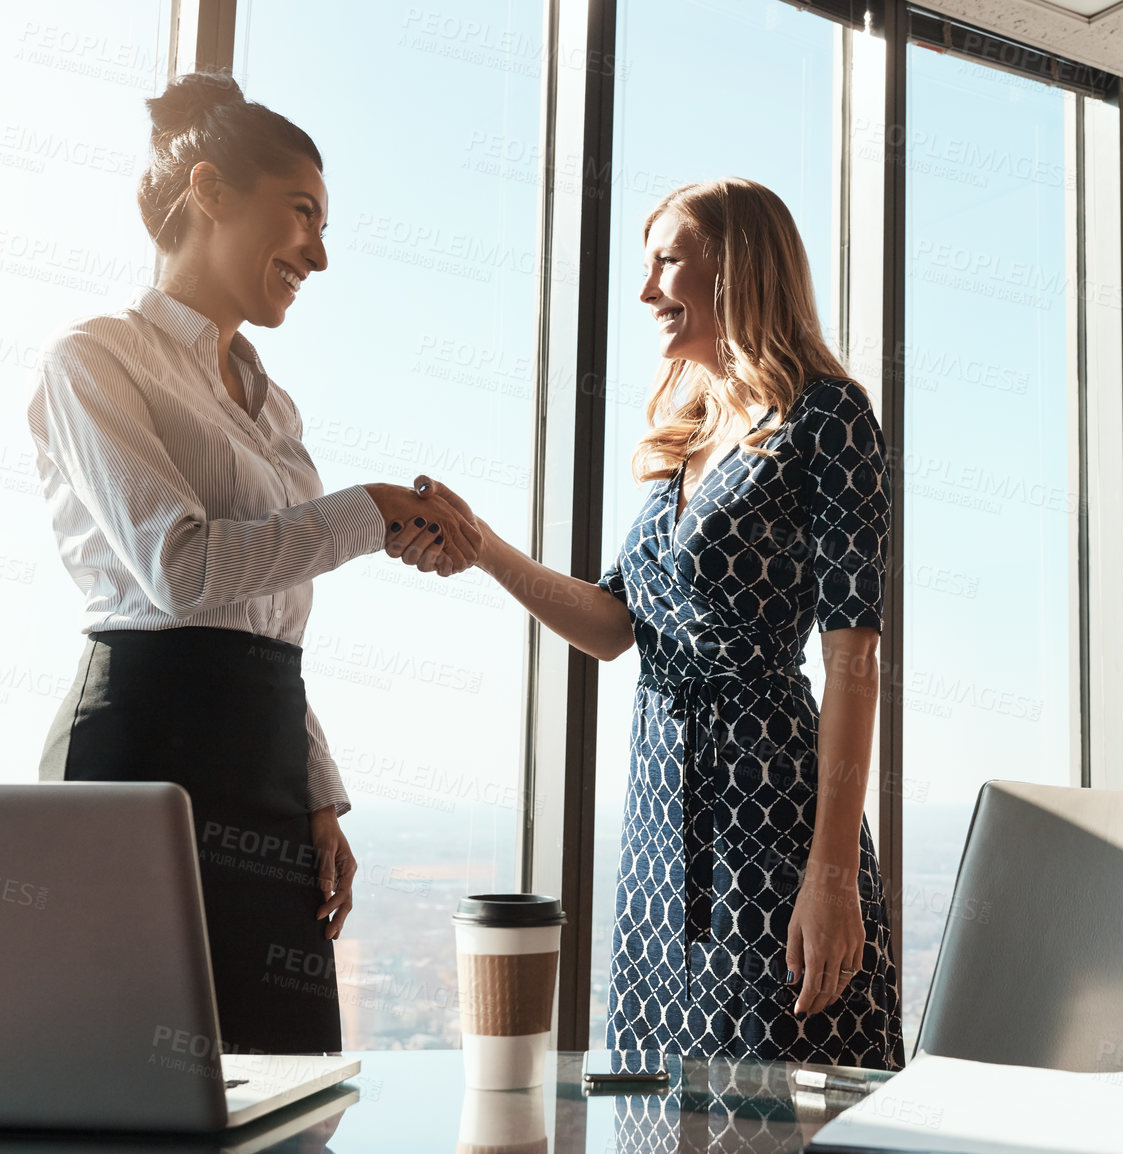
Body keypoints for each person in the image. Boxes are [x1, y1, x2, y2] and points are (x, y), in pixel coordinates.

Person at [27, 71, 479, 1055]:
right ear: (209, 193)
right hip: (142, 750)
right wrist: (367, 512)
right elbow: (180, 571)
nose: (319, 252)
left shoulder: (276, 410)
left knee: (288, 1074)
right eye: (303, 214)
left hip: (264, 754)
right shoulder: (93, 359)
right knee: (124, 1083)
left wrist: (315, 787)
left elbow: (269, 618)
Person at [415, 178, 904, 1068]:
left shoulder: (830, 416)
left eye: (668, 261)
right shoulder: (688, 433)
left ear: (740, 266)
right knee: (656, 1089)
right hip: (656, 812)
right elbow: (613, 627)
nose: (645, 292)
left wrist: (830, 880)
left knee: (774, 1087)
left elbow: (853, 660)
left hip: (772, 803)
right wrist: (484, 548)